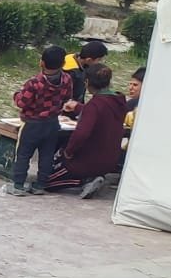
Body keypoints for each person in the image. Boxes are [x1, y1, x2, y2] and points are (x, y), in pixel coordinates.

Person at [44, 63, 125, 198]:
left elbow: (81, 134)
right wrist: (78, 107)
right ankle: (94, 176)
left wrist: (68, 152)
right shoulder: (118, 101)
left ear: (87, 82)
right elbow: (102, 114)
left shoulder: (95, 104)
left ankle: (83, 181)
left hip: (88, 160)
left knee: (45, 181)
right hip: (110, 160)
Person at [7, 45, 72, 197]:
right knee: (47, 155)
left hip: (32, 123)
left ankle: (18, 184)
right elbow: (67, 97)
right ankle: (40, 184)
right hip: (52, 122)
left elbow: (22, 102)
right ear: (63, 64)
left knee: (23, 154)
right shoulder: (67, 79)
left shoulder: (34, 82)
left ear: (41, 62)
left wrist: (17, 94)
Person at [63, 39, 109, 111]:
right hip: (68, 108)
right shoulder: (72, 72)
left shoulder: (79, 61)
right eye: (99, 60)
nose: (100, 62)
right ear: (89, 60)